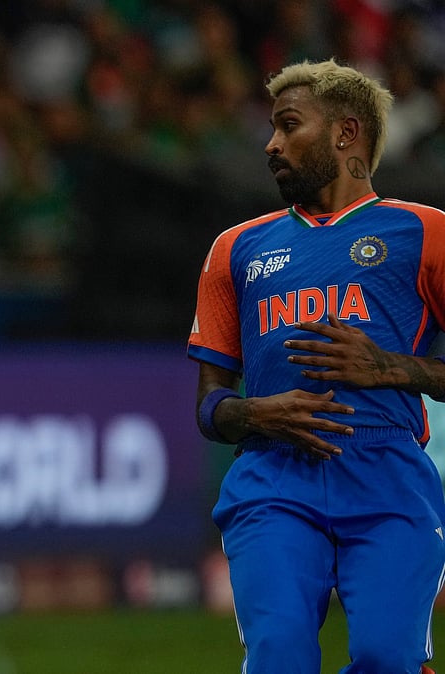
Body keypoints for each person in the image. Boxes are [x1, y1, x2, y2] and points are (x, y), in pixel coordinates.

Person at [188, 58, 445, 673]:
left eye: (288, 126)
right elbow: (209, 405)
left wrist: (395, 369)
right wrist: (251, 413)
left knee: (388, 657)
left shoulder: (425, 233)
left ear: (345, 134)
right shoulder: (236, 248)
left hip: (388, 476)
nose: (271, 145)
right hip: (273, 480)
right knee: (279, 656)